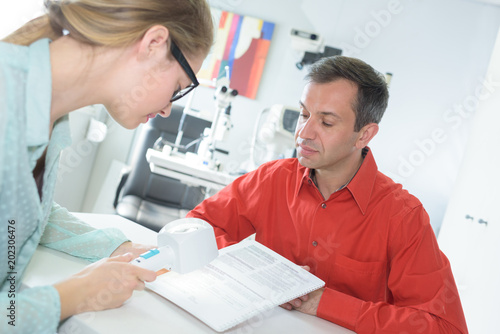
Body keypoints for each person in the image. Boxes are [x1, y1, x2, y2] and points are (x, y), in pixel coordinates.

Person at [187, 56, 468, 333]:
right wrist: (262, 272)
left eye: (327, 123)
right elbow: (196, 227)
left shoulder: (403, 217)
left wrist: (324, 303)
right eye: (304, 114)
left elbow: (444, 327)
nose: (304, 133)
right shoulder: (273, 178)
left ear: (364, 135)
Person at [0, 0, 213, 332]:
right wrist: (76, 294)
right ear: (154, 43)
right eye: (178, 88)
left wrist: (117, 247)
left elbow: (21, 210)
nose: (168, 109)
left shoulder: (50, 112)